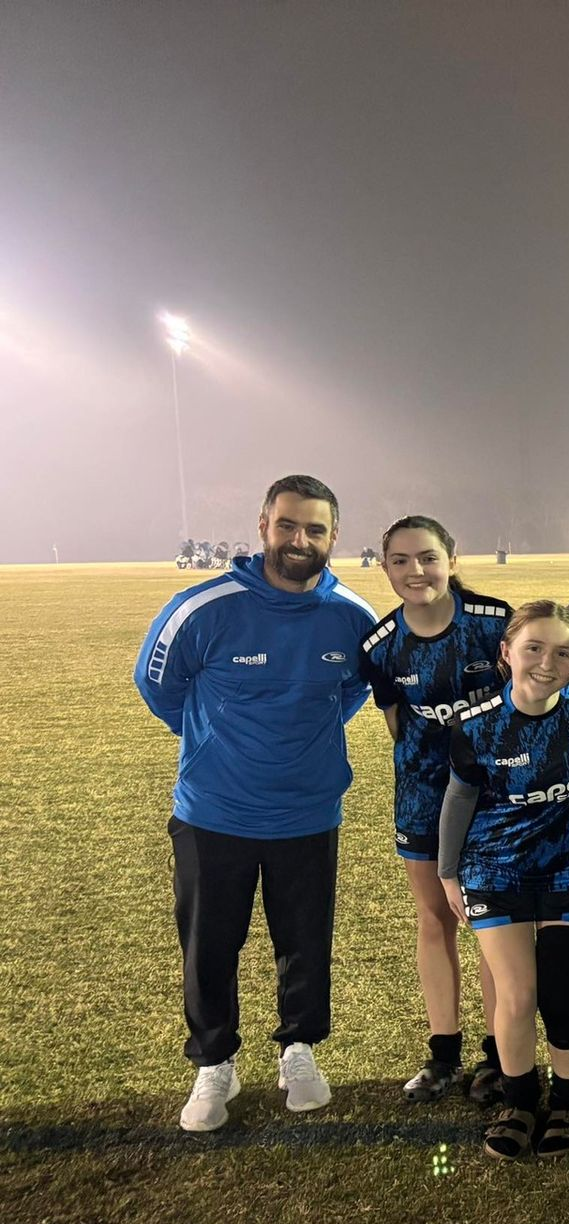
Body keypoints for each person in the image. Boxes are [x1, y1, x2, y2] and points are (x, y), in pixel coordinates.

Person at [135, 474, 380, 1133]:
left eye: (316, 529)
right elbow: (156, 684)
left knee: (304, 941)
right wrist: (213, 742)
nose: (301, 540)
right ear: (264, 525)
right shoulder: (203, 606)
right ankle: (215, 1061)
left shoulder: (352, 617)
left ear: (334, 537)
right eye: (289, 525)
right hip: (214, 812)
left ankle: (297, 1050)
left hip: (307, 812)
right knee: (209, 942)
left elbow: (354, 691)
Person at [438, 601, 569, 1160]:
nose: (547, 662)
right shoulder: (477, 723)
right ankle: (519, 1102)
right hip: (494, 865)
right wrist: (447, 873)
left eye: (563, 651)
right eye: (533, 647)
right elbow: (460, 796)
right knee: (517, 992)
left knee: (558, 991)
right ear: (506, 653)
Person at [359, 514, 512, 1103]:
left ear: (451, 556)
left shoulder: (494, 622)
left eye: (427, 557)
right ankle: (444, 1054)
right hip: (423, 793)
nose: (415, 571)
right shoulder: (379, 644)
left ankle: (500, 1055)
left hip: (499, 793)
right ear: (385, 567)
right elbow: (398, 723)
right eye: (400, 560)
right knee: (435, 918)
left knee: (494, 924)